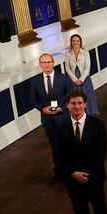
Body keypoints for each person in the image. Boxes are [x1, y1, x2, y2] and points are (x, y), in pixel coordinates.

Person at [56, 91, 107, 214]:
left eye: (80, 103)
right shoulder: (61, 126)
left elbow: (101, 154)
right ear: (67, 106)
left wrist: (86, 174)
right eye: (73, 103)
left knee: (100, 211)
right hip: (73, 180)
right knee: (81, 213)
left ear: (85, 104)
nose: (77, 106)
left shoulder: (98, 125)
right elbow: (59, 155)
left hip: (94, 178)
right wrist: (72, 173)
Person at [30, 53, 73, 182]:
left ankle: (72, 171)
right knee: (55, 145)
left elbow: (71, 97)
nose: (46, 65)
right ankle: (59, 172)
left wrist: (62, 108)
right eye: (43, 63)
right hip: (48, 120)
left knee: (67, 145)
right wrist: (43, 109)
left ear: (53, 63)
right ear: (40, 65)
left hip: (63, 117)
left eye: (49, 62)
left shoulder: (63, 78)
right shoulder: (35, 81)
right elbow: (33, 100)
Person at [65, 34, 99, 115]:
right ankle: (79, 114)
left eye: (77, 41)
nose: (75, 42)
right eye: (73, 41)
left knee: (88, 96)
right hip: (73, 80)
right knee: (76, 98)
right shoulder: (68, 54)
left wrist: (81, 80)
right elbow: (67, 68)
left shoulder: (85, 53)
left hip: (85, 79)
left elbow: (87, 68)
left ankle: (90, 112)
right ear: (71, 42)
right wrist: (75, 80)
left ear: (80, 42)